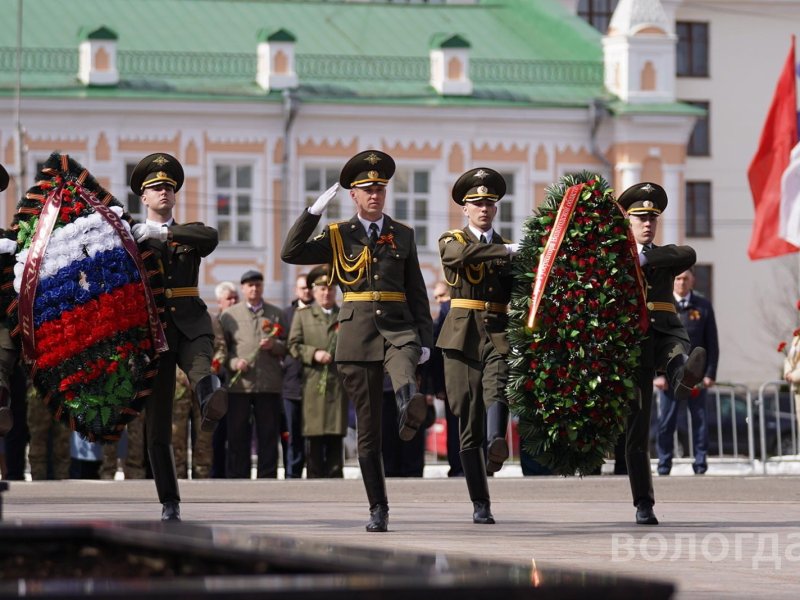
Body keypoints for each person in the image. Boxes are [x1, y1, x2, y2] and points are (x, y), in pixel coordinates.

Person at [281, 149, 433, 532]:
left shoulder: (403, 234)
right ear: (353, 195)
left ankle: (406, 404)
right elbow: (290, 252)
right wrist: (312, 212)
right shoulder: (338, 235)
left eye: (380, 188)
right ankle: (377, 507)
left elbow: (417, 292)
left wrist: (425, 338)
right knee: (368, 432)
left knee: (404, 364)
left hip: (398, 327)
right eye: (367, 189)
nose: (375, 195)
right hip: (356, 336)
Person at [129, 152, 228, 520]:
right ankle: (169, 500)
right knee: (158, 425)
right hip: (153, 331)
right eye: (156, 188)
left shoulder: (189, 232)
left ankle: (209, 400)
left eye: (169, 187)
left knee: (201, 366)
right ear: (144, 196)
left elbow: (210, 236)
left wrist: (164, 232)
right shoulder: (132, 239)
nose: (164, 192)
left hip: (191, 322)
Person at [618, 182, 707, 525]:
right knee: (637, 430)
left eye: (652, 218)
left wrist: (645, 256)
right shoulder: (617, 259)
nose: (647, 224)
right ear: (628, 220)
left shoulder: (665, 254)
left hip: (666, 330)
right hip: (633, 341)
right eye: (640, 217)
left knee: (677, 354)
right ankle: (644, 503)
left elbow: (688, 254)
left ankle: (683, 377)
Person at [437, 167, 516, 524]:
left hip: (497, 331)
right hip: (461, 335)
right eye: (477, 203)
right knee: (466, 417)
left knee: (497, 387)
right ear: (464, 209)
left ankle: (497, 441)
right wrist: (507, 250)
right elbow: (460, 257)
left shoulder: (508, 248)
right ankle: (479, 501)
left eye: (489, 203)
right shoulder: (450, 239)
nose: (484, 208)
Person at [219, 269, 287, 479]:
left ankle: (267, 475)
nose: (254, 289)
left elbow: (288, 346)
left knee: (268, 433)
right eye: (250, 285)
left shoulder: (276, 313)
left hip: (268, 384)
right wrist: (233, 362)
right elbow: (222, 349)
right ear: (243, 288)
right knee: (238, 433)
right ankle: (238, 476)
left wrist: (274, 345)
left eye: (258, 285)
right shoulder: (229, 315)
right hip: (239, 385)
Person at [656, 269, 719, 475]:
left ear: (692, 281)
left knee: (700, 421)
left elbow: (712, 343)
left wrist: (710, 373)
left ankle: (700, 464)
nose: (681, 283)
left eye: (685, 278)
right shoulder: (663, 306)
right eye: (678, 278)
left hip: (696, 377)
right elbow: (656, 342)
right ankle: (664, 464)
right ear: (672, 282)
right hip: (669, 376)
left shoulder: (703, 306)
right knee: (667, 422)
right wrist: (658, 375)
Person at [288, 265, 348, 478]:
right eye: (322, 289)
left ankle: (335, 479)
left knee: (335, 435)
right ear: (314, 291)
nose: (326, 293)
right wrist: (314, 354)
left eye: (330, 289)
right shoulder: (303, 315)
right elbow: (293, 345)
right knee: (313, 436)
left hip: (337, 384)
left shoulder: (344, 315)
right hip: (313, 383)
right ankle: (314, 480)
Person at [422, 281, 462, 477]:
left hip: (450, 382)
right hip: (453, 382)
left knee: (456, 427)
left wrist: (437, 385)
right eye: (436, 298)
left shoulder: (445, 314)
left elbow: (436, 354)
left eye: (442, 296)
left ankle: (458, 466)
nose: (439, 301)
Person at [282, 273, 313, 478]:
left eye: (310, 288)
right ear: (296, 290)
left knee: (314, 433)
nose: (307, 291)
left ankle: (315, 473)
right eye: (303, 288)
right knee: (292, 433)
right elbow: (284, 344)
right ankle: (292, 474)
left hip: (314, 382)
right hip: (292, 382)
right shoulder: (286, 314)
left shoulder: (322, 313)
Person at [210, 281, 238, 478]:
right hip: (215, 384)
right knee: (215, 434)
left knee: (234, 433)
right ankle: (216, 473)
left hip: (235, 386)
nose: (234, 301)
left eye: (236, 298)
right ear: (219, 302)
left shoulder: (242, 321)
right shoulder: (213, 321)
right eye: (229, 299)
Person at [172, 366, 214, 478]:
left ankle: (202, 475)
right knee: (176, 436)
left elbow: (220, 351)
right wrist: (181, 376)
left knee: (204, 437)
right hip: (178, 388)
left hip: (204, 388)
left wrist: (206, 373)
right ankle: (178, 476)